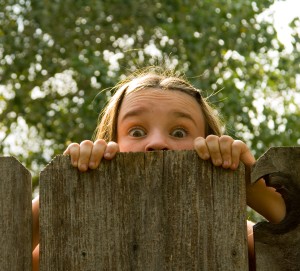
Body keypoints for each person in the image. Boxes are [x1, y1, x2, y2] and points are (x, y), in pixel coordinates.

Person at [31, 67, 286, 270]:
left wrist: (250, 183)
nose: (157, 143)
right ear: (111, 144)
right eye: (137, 131)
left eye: (179, 132)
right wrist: (63, 193)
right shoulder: (71, 243)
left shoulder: (240, 239)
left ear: (210, 143)